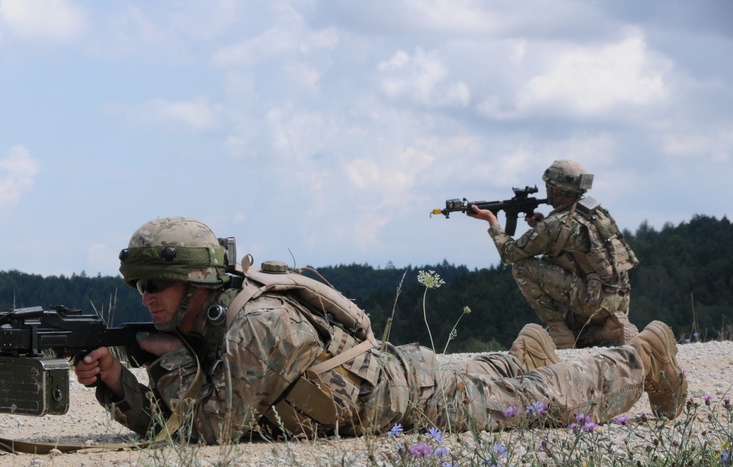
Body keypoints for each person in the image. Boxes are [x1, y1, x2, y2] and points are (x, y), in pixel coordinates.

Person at [73, 216, 685, 445]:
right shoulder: (214, 314)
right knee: (485, 378)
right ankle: (519, 357)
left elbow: (207, 433)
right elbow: (177, 420)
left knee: (541, 406)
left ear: (199, 283)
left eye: (156, 285)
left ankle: (642, 360)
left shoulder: (253, 328)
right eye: (139, 287)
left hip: (407, 402)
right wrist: (116, 382)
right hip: (393, 376)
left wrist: (170, 363)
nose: (145, 298)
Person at [469, 160, 639, 349]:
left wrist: (492, 221)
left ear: (556, 190)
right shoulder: (596, 212)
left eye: (548, 187)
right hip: (619, 298)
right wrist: (543, 224)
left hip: (593, 300)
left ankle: (559, 332)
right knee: (577, 335)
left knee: (522, 267)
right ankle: (611, 327)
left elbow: (510, 254)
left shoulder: (555, 224)